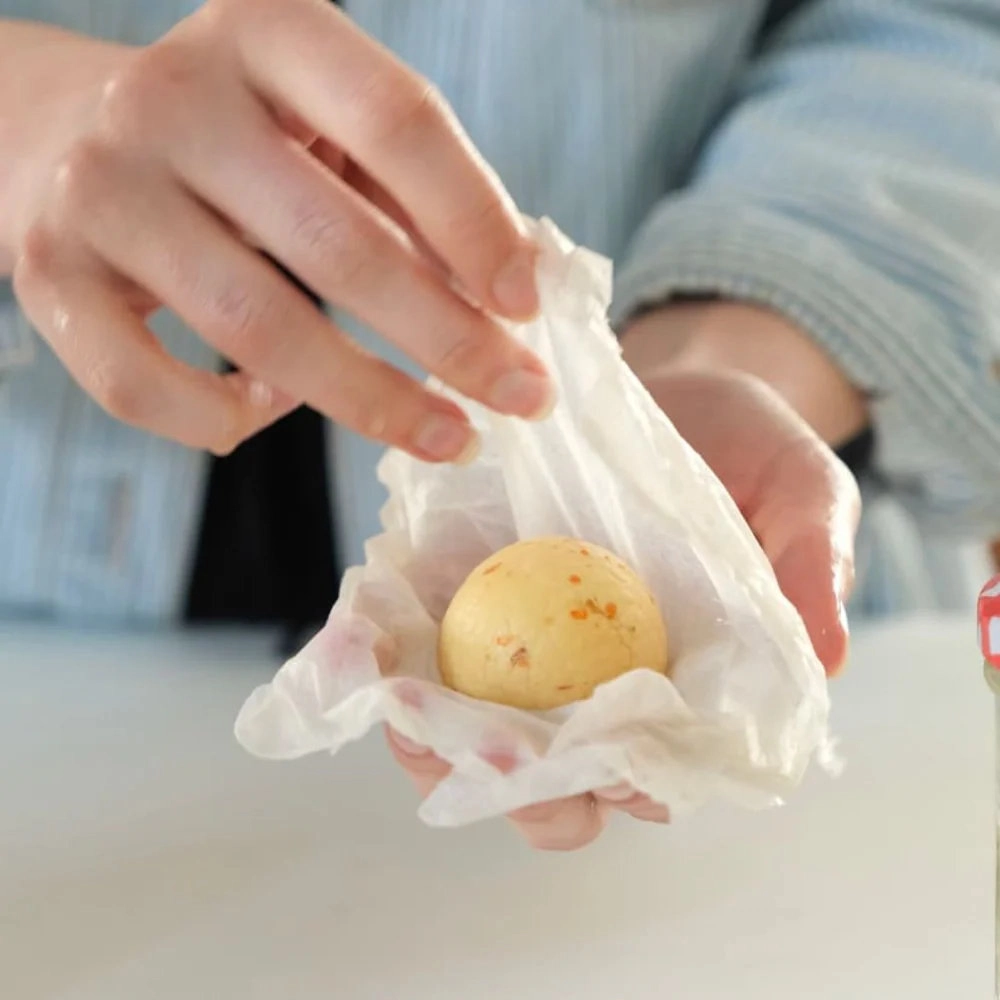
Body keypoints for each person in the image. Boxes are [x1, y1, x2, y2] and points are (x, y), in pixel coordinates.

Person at [1, 0, 998, 850]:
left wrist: (687, 395)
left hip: (793, 736)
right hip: (49, 717)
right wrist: (30, 115)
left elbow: (947, 26)